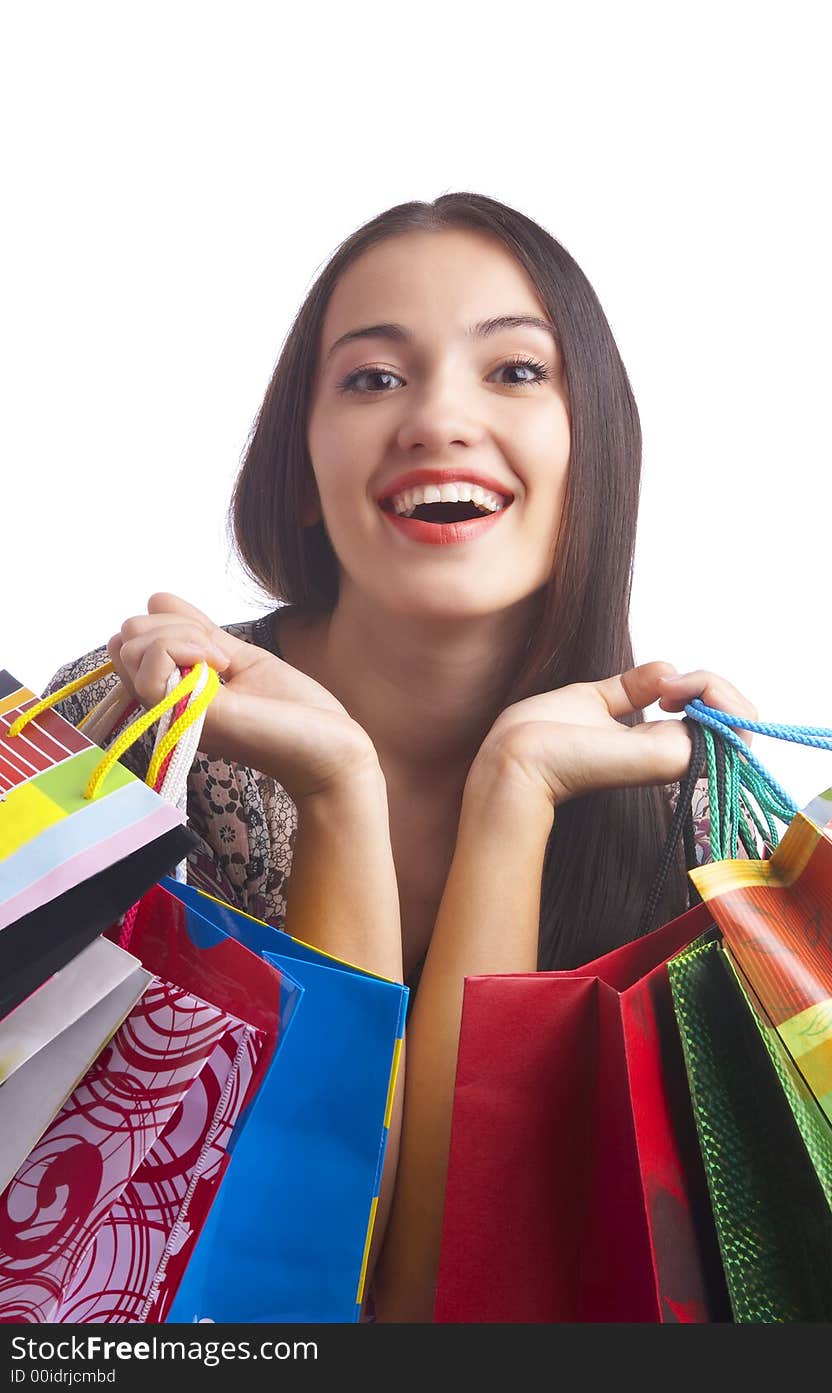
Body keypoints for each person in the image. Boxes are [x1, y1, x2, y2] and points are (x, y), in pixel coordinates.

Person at [44, 191, 761, 1322]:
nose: (437, 419)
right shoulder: (130, 726)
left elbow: (452, 1311)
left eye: (516, 372)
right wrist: (337, 788)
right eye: (373, 377)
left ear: (596, 447)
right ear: (304, 460)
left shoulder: (697, 820)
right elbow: (284, 1309)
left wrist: (514, 794)